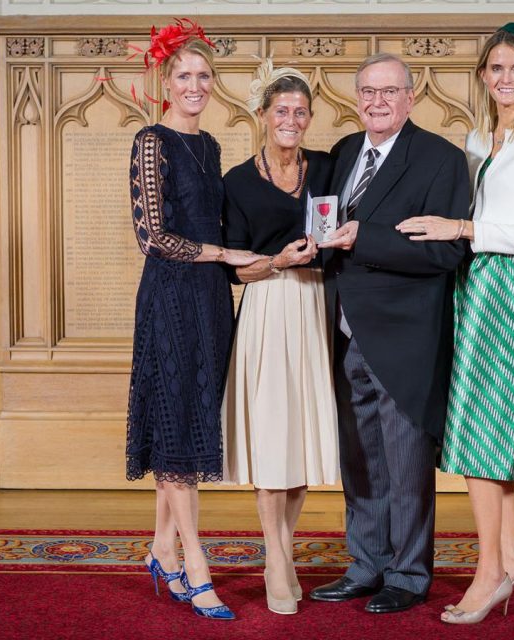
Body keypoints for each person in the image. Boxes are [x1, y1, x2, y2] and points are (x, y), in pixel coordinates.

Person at [396, 18, 514, 624]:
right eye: (496, 68)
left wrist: (463, 228)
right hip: (471, 286)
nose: (506, 78)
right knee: (480, 430)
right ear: (482, 75)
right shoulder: (475, 139)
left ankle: (491, 572)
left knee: (482, 434)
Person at [309, 53, 471, 614]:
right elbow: (322, 220)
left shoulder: (439, 159)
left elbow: (449, 251)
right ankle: (366, 564)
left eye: (388, 92)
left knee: (404, 462)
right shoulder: (345, 152)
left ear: (410, 97)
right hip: (343, 330)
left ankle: (407, 573)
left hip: (404, 338)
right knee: (358, 460)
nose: (376, 102)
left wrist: (365, 239)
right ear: (356, 99)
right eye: (367, 93)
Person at [124, 20, 261, 621]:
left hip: (210, 301)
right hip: (171, 298)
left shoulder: (209, 146)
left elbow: (223, 229)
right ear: (165, 81)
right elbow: (151, 235)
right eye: (184, 75)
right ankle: (197, 566)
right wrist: (222, 253)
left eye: (204, 75)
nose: (195, 85)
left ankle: (161, 550)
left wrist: (259, 259)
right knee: (176, 431)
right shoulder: (150, 141)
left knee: (185, 424)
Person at [220, 61, 340, 616]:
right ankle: (276, 562)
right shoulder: (238, 182)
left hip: (317, 306)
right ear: (263, 116)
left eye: (300, 112)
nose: (290, 119)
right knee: (272, 440)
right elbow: (233, 269)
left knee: (300, 439)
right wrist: (276, 261)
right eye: (281, 111)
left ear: (309, 117)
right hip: (268, 307)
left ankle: (281, 554)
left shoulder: (330, 170)